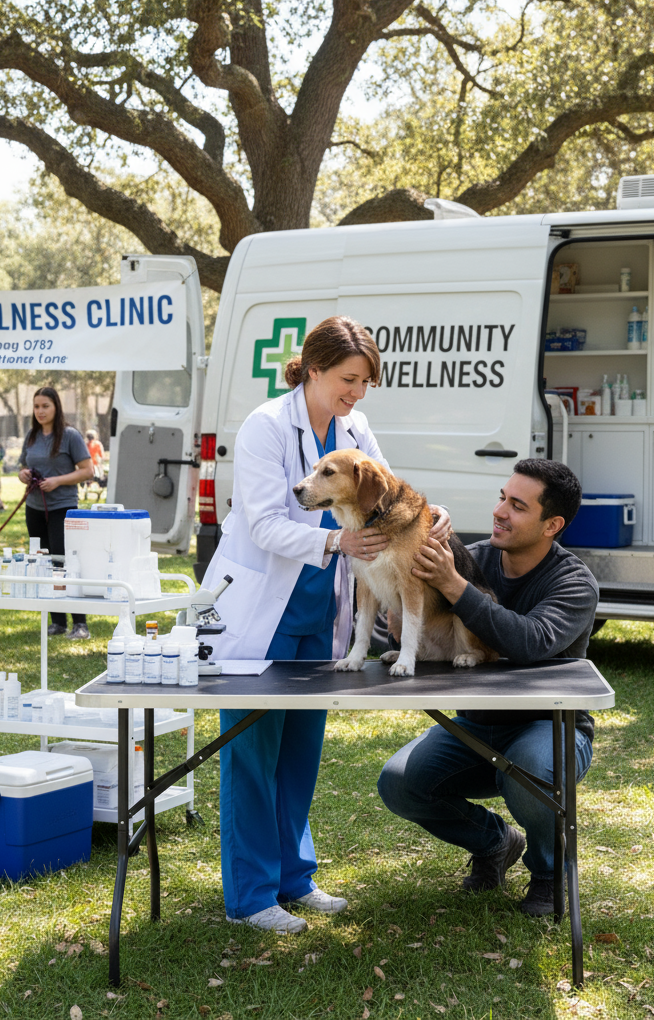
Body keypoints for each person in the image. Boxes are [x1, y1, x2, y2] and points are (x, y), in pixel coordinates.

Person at [200, 315, 450, 934]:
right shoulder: (264, 427)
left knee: (302, 751)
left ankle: (295, 878)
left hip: (324, 609)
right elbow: (260, 523)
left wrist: (428, 512)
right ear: (313, 371)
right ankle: (253, 896)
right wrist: (338, 540)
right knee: (253, 753)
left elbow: (388, 494)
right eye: (348, 379)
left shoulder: (353, 427)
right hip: (263, 608)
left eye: (365, 382)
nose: (357, 393)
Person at [376, 459, 599, 917]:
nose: (500, 511)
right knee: (399, 784)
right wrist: (395, 619)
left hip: (551, 728)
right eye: (502, 497)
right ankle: (496, 843)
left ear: (551, 525)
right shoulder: (467, 556)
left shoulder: (574, 582)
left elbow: (530, 642)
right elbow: (407, 626)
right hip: (475, 728)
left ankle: (549, 875)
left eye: (517, 506)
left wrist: (456, 588)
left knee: (531, 769)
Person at [18, 387, 94, 639]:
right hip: (35, 508)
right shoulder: (31, 435)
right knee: (44, 562)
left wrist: (58, 481)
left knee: (64, 563)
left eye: (45, 406)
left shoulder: (70, 435)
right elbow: (22, 467)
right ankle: (57, 621)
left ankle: (79, 623)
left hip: (63, 507)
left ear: (56, 407)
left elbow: (87, 471)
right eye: (36, 406)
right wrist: (24, 475)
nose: (40, 411)